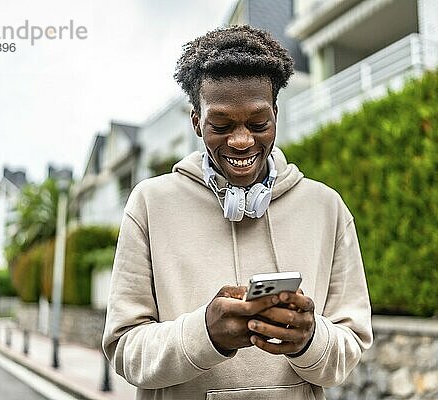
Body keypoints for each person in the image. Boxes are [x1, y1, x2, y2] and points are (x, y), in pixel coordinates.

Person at [102, 25, 373, 400]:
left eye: (259, 124)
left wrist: (310, 339)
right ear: (196, 121)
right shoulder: (149, 204)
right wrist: (204, 334)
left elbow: (351, 347)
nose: (242, 140)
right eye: (221, 125)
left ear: (276, 115)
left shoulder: (327, 208)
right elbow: (124, 351)